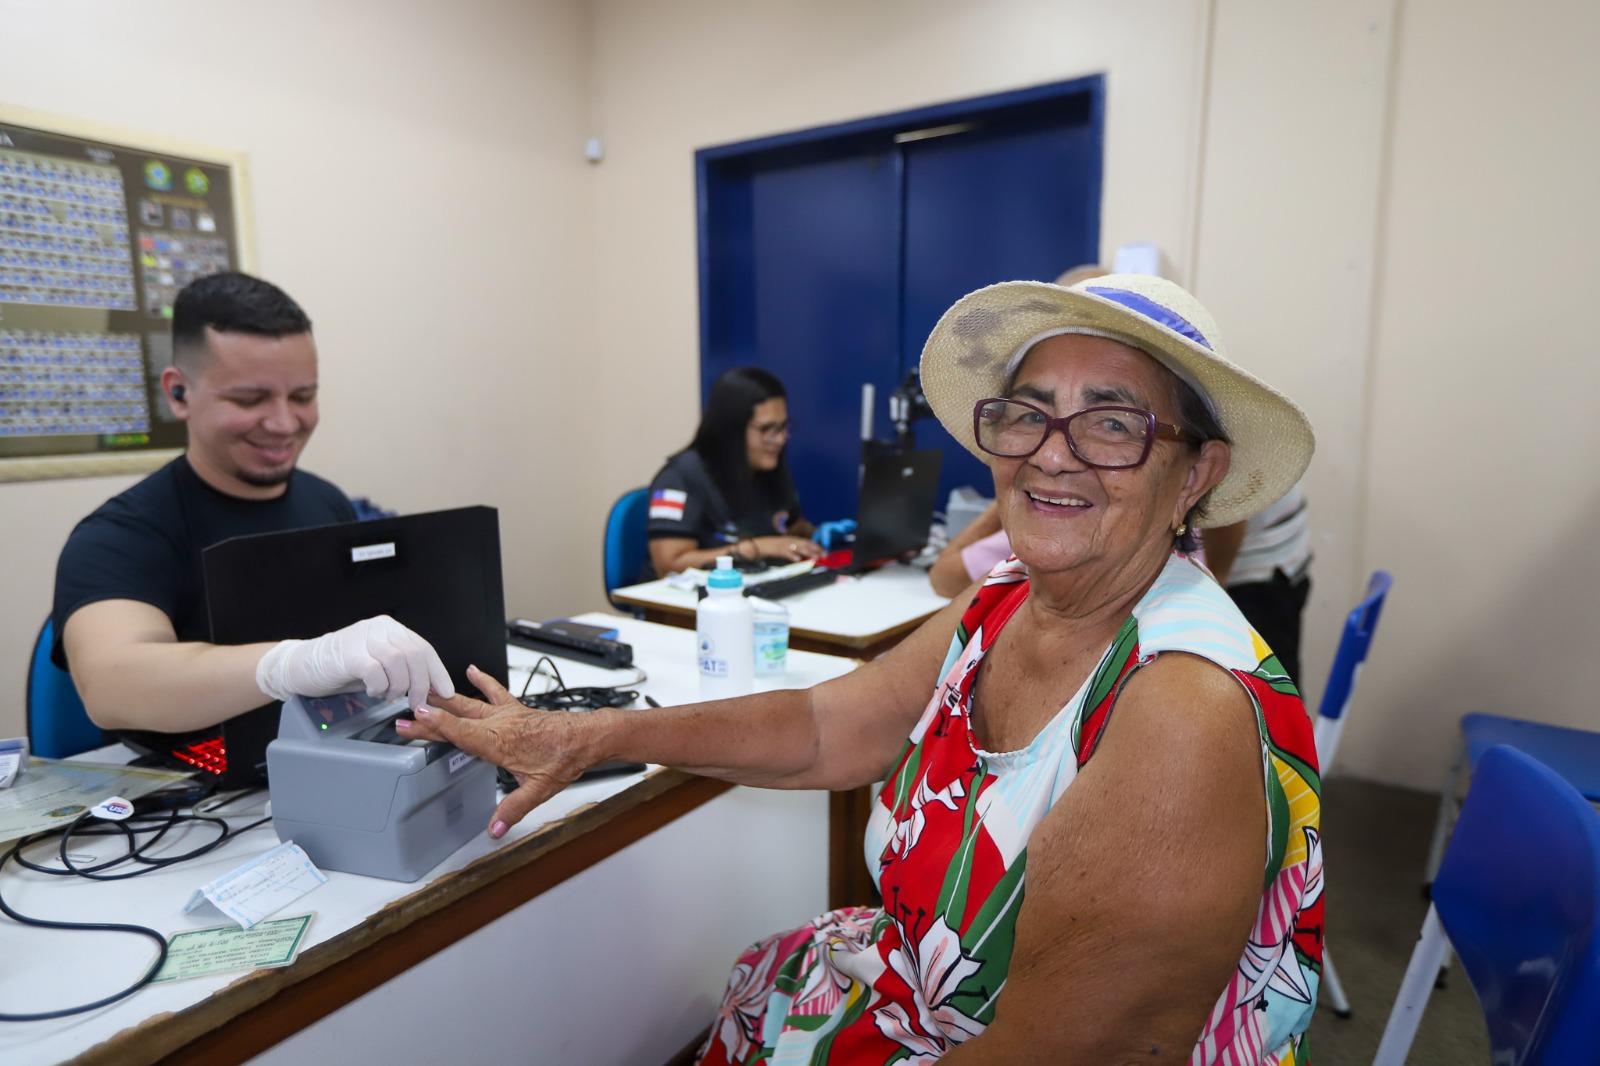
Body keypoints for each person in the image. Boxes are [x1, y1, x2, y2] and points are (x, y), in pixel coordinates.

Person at [400, 274, 1324, 1064]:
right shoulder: (1001, 603)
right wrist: (594, 734)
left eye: (1112, 423)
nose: (1051, 450)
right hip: (904, 999)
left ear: (1196, 475)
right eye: (1027, 413)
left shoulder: (1180, 713)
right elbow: (823, 727)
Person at [52, 272, 452, 755]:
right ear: (179, 393)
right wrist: (288, 666)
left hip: (332, 761)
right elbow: (111, 683)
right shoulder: (120, 535)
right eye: (249, 399)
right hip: (205, 795)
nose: (285, 423)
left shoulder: (326, 501)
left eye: (302, 396)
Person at [928, 265, 1108, 599]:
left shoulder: (1058, 532)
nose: (1052, 458)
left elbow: (945, 577)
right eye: (1031, 417)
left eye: (1111, 425)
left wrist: (1028, 495)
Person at [645, 366, 823, 576]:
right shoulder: (679, 478)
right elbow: (668, 565)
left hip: (760, 586)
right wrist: (757, 548)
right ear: (731, 429)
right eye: (767, 430)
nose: (780, 439)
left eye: (783, 427)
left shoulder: (770, 468)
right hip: (695, 600)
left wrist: (822, 535)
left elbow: (790, 527)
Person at [1199, 481, 1313, 684]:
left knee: (1268, 698)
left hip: (1256, 579)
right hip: (1278, 559)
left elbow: (1229, 514)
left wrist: (1213, 594)